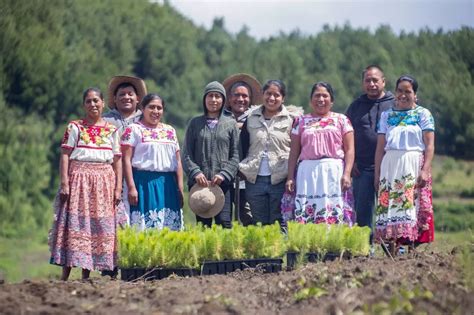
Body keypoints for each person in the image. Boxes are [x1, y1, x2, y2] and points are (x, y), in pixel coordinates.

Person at [49, 88, 122, 281]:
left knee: (97, 225)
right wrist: (65, 183)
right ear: (84, 105)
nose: (93, 105)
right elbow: (65, 155)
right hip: (78, 180)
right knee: (75, 224)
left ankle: (85, 275)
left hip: (104, 182)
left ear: (103, 103)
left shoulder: (112, 130)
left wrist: (118, 188)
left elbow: (117, 160)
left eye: (96, 101)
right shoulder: (75, 127)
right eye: (89, 101)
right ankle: (64, 276)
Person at [374, 75, 435, 255]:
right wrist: (377, 174)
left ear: (415, 94)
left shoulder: (423, 114)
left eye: (407, 91)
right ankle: (391, 248)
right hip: (390, 166)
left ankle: (410, 249)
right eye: (400, 90)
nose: (403, 95)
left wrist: (425, 170)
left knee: (411, 204)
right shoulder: (387, 116)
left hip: (413, 163)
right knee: (391, 205)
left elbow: (430, 145)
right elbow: (379, 148)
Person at [286, 82, 355, 225]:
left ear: (332, 100)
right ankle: (309, 243)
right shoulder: (300, 122)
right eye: (317, 96)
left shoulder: (342, 120)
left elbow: (349, 149)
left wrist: (347, 173)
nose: (321, 99)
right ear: (311, 100)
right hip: (307, 173)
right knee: (308, 209)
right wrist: (290, 177)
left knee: (334, 208)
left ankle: (334, 243)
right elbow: (294, 153)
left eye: (325, 96)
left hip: (334, 172)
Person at [239, 80, 302, 228]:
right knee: (259, 222)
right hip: (255, 179)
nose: (272, 98)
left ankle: (279, 252)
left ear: (283, 98)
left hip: (281, 178)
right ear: (262, 95)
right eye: (268, 94)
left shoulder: (292, 120)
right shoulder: (250, 117)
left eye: (276, 95)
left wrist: (292, 176)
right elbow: (242, 145)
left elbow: (297, 149)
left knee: (280, 220)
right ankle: (263, 252)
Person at [121, 94, 184, 230]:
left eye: (159, 108)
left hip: (168, 185)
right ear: (142, 108)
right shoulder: (133, 129)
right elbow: (126, 159)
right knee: (145, 227)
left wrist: (180, 188)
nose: (155, 111)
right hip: (144, 185)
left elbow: (177, 161)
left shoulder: (170, 131)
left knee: (169, 227)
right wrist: (131, 187)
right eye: (151, 107)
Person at [346, 65, 395, 239]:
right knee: (363, 212)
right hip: (363, 168)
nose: (372, 84)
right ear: (362, 84)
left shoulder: (395, 104)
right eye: (368, 80)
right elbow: (345, 137)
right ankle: (364, 250)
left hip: (391, 168)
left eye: (375, 80)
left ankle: (393, 248)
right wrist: (351, 163)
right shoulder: (355, 107)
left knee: (391, 210)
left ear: (383, 81)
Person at [182, 81, 239, 228]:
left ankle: (225, 252)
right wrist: (196, 172)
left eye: (217, 96)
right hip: (199, 186)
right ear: (204, 99)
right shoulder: (195, 123)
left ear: (223, 100)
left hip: (223, 185)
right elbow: (186, 154)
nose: (213, 100)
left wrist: (224, 174)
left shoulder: (231, 124)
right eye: (210, 96)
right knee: (203, 226)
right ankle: (204, 252)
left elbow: (236, 154)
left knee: (225, 223)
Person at [222, 73, 263, 226]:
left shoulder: (257, 118)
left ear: (250, 99)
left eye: (244, 96)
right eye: (236, 95)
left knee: (247, 217)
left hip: (249, 176)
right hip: (224, 176)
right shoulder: (220, 119)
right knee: (224, 219)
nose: (240, 99)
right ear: (229, 98)